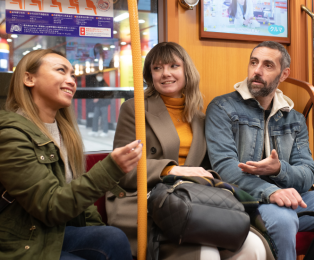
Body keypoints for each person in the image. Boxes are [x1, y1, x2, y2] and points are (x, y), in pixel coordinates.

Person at [106, 42, 267, 260]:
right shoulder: (134, 108)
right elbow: (123, 169)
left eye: (174, 66)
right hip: (144, 199)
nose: (165, 74)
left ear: (186, 71)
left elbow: (208, 167)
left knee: (253, 246)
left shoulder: (200, 117)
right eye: (157, 68)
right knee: (206, 251)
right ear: (150, 75)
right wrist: (172, 170)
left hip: (191, 197)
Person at [0, 49, 142, 260]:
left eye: (73, 75)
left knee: (112, 237)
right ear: (29, 79)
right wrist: (111, 168)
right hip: (25, 240)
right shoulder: (11, 134)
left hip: (55, 231)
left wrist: (97, 229)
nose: (71, 81)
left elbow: (78, 197)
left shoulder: (64, 132)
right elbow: (50, 206)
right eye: (61, 71)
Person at [205, 41, 314, 260]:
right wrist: (271, 191)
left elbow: (307, 174)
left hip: (287, 195)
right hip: (243, 199)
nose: (257, 70)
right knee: (283, 219)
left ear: (284, 74)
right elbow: (225, 169)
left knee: (287, 212)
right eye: (253, 62)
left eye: (267, 65)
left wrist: (278, 170)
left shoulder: (295, 119)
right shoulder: (222, 107)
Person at [88, 72, 110, 137]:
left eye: (100, 75)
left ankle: (105, 131)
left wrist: (98, 98)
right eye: (98, 75)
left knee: (104, 118)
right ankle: (94, 130)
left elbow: (106, 94)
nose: (99, 77)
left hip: (104, 103)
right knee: (95, 117)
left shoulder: (105, 84)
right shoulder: (96, 83)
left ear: (102, 76)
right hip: (98, 104)